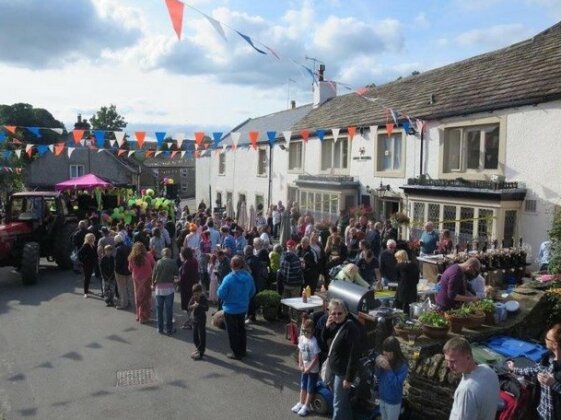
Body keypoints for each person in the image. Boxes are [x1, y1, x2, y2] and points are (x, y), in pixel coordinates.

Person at [506, 323, 561, 419]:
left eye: (547, 339)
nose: (545, 340)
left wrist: (553, 384)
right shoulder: (547, 358)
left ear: (555, 344)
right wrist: (514, 369)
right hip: (542, 413)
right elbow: (533, 370)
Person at [444, 336, 500, 420]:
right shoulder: (488, 371)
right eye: (447, 361)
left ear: (468, 358)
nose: (449, 366)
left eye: (453, 361)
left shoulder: (466, 391)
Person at [322, 298, 360, 420]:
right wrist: (326, 327)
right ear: (329, 314)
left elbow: (354, 355)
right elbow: (323, 342)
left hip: (342, 372)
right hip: (333, 368)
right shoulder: (333, 325)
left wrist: (348, 378)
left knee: (337, 403)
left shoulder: (351, 329)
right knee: (341, 400)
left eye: (339, 313)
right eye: (334, 313)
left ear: (346, 313)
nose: (337, 316)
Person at [217, 255, 256, 360]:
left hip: (230, 309)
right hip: (243, 307)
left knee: (233, 332)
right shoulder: (248, 276)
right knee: (241, 329)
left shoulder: (228, 278)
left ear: (231, 265)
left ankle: (236, 353)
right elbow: (252, 291)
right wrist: (245, 298)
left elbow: (221, 293)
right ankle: (242, 350)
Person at [291, 318, 321, 417]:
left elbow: (316, 358)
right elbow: (300, 352)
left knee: (309, 388)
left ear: (312, 331)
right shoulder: (302, 339)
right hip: (304, 368)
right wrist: (300, 364)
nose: (305, 333)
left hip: (312, 370)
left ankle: (306, 405)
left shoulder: (314, 342)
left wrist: (309, 368)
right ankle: (301, 402)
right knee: (303, 385)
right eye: (303, 330)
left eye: (307, 331)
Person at [375, 337, 408, 420]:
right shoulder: (385, 359)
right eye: (384, 351)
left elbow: (396, 384)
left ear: (394, 352)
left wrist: (389, 369)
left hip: (393, 402)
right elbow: (377, 376)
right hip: (382, 397)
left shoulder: (402, 365)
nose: (384, 354)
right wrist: (377, 366)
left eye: (387, 352)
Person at [151, 248, 178, 335]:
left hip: (159, 288)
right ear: (169, 254)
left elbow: (153, 275)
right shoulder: (173, 262)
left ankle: (160, 328)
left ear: (162, 254)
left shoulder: (158, 262)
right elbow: (176, 273)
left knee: (159, 309)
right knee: (169, 309)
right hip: (169, 288)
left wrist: (152, 284)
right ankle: (169, 329)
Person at [128, 242, 155, 323]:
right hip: (147, 278)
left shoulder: (132, 257)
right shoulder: (148, 255)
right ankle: (144, 317)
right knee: (146, 297)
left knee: (138, 296)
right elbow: (153, 264)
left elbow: (130, 269)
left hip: (137, 279)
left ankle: (138, 315)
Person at [179, 247, 199, 329]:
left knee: (188, 305)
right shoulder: (194, 260)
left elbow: (184, 276)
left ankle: (190, 322)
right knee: (193, 303)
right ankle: (193, 320)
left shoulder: (187, 263)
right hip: (193, 284)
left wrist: (177, 281)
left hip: (187, 287)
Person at [394, 249, 420, 314]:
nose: (396, 259)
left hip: (403, 289)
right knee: (409, 307)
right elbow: (417, 278)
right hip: (412, 288)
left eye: (397, 258)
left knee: (400, 306)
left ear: (400, 257)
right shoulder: (414, 265)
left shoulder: (398, 266)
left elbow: (397, 278)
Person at [188, 284, 209, 360]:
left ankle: (201, 352)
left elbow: (207, 308)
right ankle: (198, 348)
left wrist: (199, 305)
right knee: (195, 336)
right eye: (194, 294)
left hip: (202, 319)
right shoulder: (193, 298)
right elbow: (189, 307)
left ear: (201, 292)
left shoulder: (203, 298)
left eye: (197, 293)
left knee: (202, 335)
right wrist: (193, 306)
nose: (196, 295)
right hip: (195, 318)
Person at [114, 235, 133, 310]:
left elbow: (117, 262)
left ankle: (124, 304)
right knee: (129, 288)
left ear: (117, 241)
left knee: (122, 288)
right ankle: (129, 302)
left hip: (120, 272)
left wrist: (115, 270)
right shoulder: (128, 247)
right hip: (128, 270)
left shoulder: (118, 249)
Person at [78, 233, 98, 298]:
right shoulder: (86, 245)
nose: (94, 238)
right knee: (87, 278)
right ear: (90, 239)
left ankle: (87, 289)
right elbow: (79, 254)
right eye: (92, 237)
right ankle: (85, 292)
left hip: (91, 263)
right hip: (87, 264)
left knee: (89, 277)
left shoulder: (92, 245)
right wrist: (84, 259)